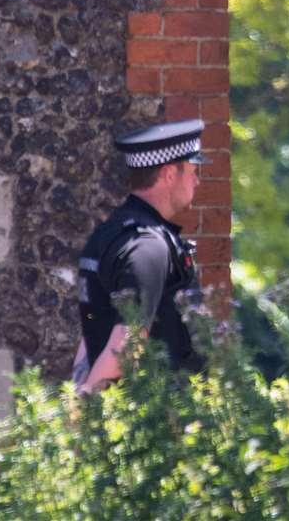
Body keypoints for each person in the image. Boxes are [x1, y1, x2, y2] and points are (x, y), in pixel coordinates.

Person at [73, 118, 207, 391]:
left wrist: (79, 390)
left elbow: (92, 332)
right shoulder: (148, 245)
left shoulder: (110, 234)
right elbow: (129, 338)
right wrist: (82, 416)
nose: (197, 181)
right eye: (193, 170)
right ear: (170, 174)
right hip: (154, 417)